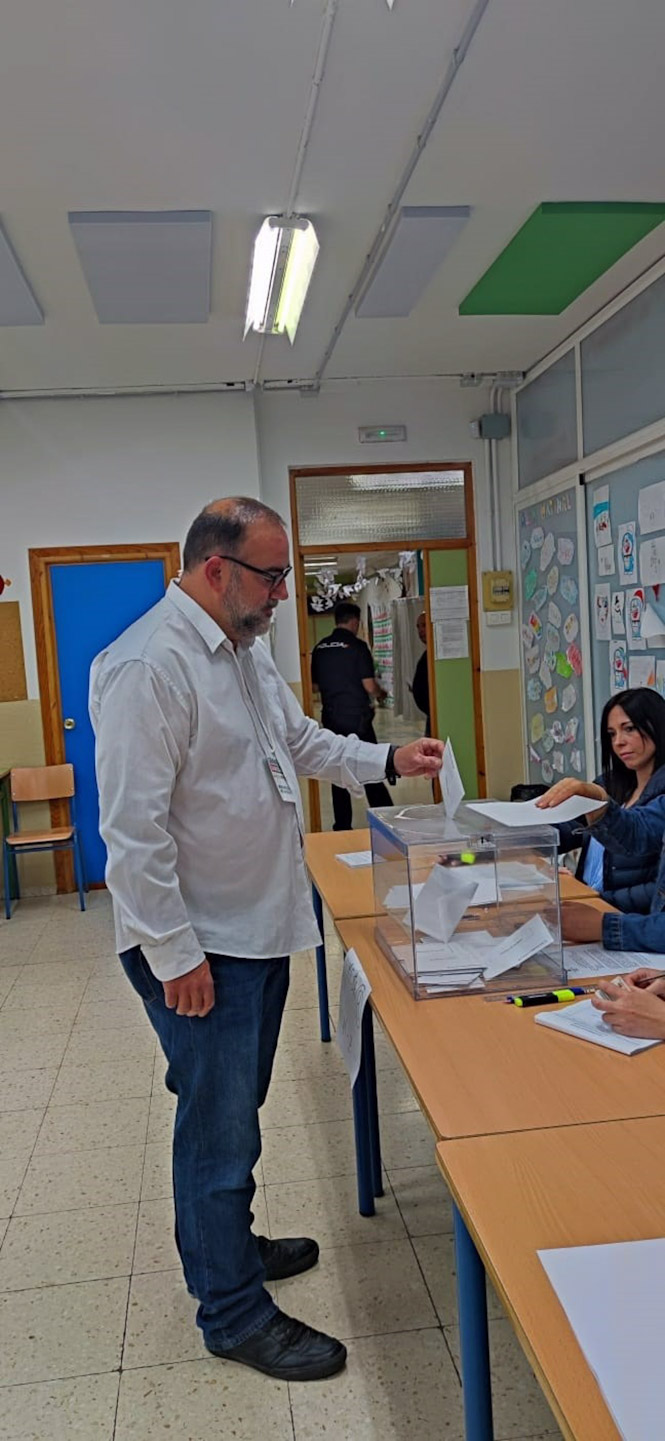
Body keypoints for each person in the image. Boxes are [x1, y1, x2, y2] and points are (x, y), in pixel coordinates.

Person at [90, 497, 444, 1384]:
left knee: (232, 1112)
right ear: (218, 570)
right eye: (273, 575)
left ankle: (228, 1247)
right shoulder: (150, 666)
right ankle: (233, 1311)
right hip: (200, 945)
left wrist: (387, 761)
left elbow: (301, 743)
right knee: (217, 1132)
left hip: (252, 929)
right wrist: (177, 956)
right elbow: (131, 835)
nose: (285, 593)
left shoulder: (241, 650)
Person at [557, 688, 665, 911]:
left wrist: (599, 900)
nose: (618, 742)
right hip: (586, 902)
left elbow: (656, 888)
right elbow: (571, 827)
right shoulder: (610, 784)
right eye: (612, 734)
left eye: (629, 729)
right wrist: (527, 832)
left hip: (622, 916)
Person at [310, 600, 394, 830]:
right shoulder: (358, 647)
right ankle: (386, 820)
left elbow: (314, 686)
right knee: (371, 766)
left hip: (332, 718)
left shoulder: (320, 648)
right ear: (355, 621)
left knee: (338, 771)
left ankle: (342, 826)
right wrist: (381, 694)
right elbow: (369, 685)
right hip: (358, 718)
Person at [411, 611, 431, 735]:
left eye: (424, 625)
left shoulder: (434, 657)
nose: (421, 630)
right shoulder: (427, 654)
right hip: (430, 714)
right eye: (418, 627)